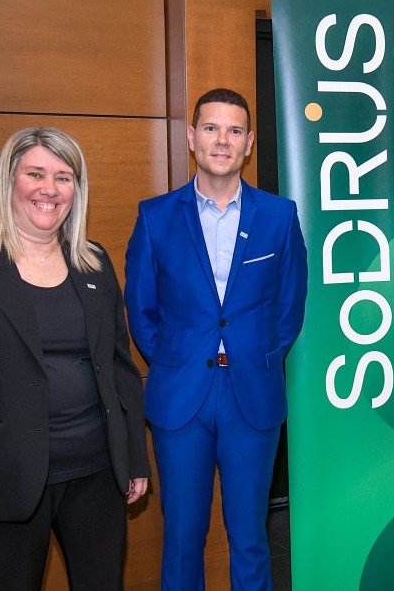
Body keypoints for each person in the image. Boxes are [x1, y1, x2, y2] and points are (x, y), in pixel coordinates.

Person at [0, 127, 150, 590]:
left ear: (76, 190)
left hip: (97, 476)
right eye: (35, 173)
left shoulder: (94, 261)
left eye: (64, 177)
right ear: (9, 180)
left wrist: (134, 458)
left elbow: (120, 367)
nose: (49, 189)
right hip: (3, 482)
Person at [125, 88, 307, 590]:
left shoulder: (279, 217)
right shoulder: (155, 216)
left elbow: (289, 308)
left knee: (250, 537)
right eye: (210, 128)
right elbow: (141, 309)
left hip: (252, 396)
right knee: (182, 537)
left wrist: (259, 355)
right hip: (180, 398)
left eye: (233, 130)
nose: (221, 140)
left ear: (249, 142)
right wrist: (175, 359)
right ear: (191, 137)